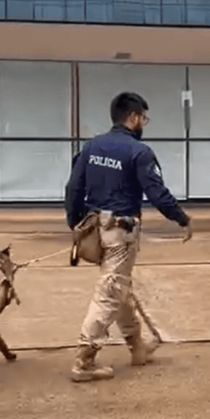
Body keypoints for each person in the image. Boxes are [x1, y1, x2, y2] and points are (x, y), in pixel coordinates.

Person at [64, 91, 193, 382]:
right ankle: (83, 361)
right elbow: (156, 192)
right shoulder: (139, 152)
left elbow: (73, 187)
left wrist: (75, 224)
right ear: (133, 118)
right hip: (121, 232)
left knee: (119, 287)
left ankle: (137, 347)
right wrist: (181, 218)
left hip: (96, 227)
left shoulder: (92, 146)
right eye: (144, 118)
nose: (144, 123)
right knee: (110, 292)